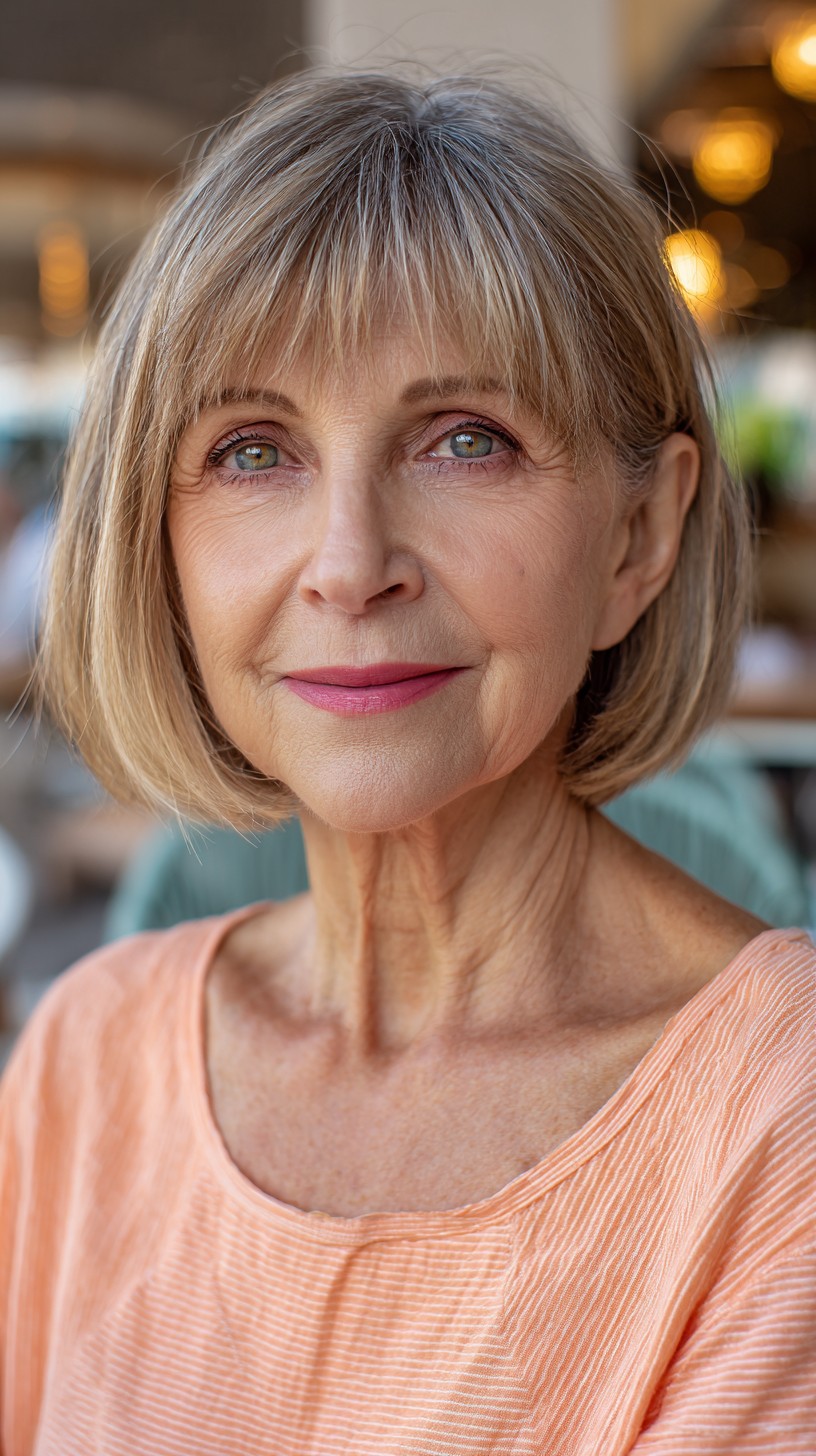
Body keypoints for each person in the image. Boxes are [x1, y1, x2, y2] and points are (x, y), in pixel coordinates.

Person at [3, 69, 814, 1453]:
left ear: (638, 538)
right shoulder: (91, 1057)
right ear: (165, 548)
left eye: (464, 440)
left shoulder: (779, 1124)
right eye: (254, 450)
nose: (348, 565)